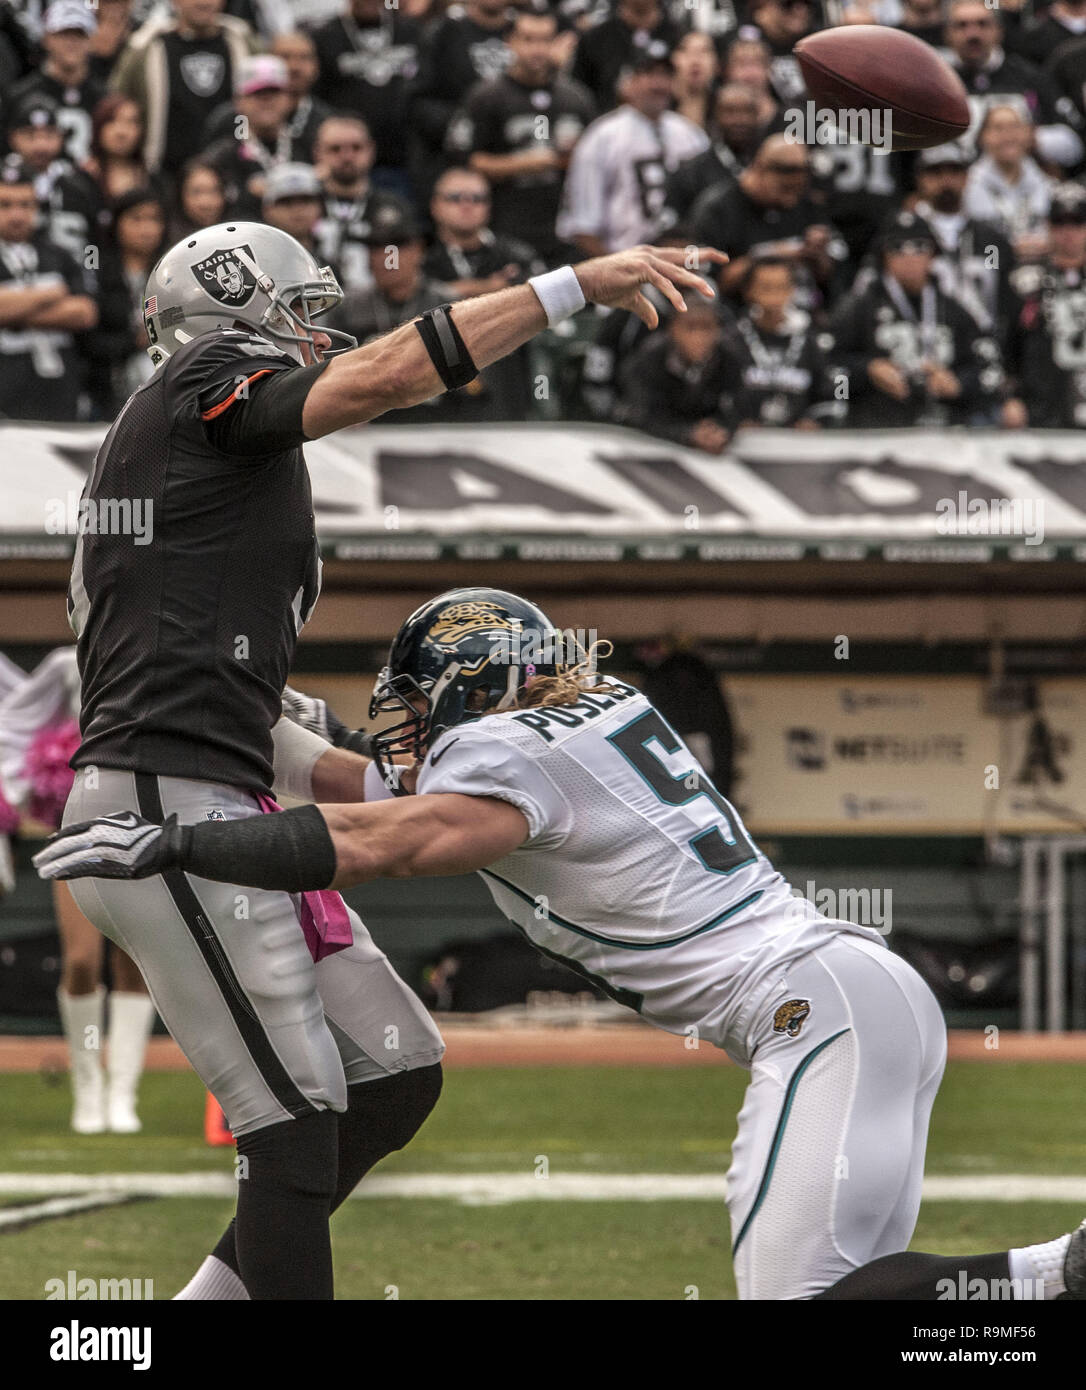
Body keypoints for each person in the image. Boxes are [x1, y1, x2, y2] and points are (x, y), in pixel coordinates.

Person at [28, 212, 721, 1300]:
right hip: (169, 790)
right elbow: (388, 377)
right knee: (291, 1120)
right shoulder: (207, 379)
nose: (320, 339)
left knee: (396, 1070)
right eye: (299, 315)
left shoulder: (195, 471)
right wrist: (573, 283)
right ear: (231, 309)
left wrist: (408, 773)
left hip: (221, 766)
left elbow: (242, 707)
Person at [39, 586, 1086, 1302]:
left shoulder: (503, 756)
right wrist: (243, 716)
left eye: (414, 704)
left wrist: (183, 837)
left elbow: (387, 837)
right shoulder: (586, 717)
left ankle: (1062, 1270)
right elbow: (369, 786)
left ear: (471, 687)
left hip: (813, 1009)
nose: (401, 728)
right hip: (855, 994)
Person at [0, 647, 154, 1134]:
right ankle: (87, 1090)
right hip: (76, 820)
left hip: (144, 818)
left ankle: (121, 1094)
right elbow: (18, 717)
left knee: (134, 961)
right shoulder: (69, 662)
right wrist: (17, 787)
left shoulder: (155, 654)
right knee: (82, 962)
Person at [446, 5, 595, 267]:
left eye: (545, 40)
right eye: (528, 39)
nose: (537, 49)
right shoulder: (485, 97)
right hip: (506, 229)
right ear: (510, 41)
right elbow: (465, 163)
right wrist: (532, 163)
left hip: (565, 232)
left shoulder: (577, 98)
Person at [828, 209, 1005, 429]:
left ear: (933, 254)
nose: (909, 257)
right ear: (883, 256)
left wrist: (958, 385)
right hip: (875, 434)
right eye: (897, 248)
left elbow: (989, 370)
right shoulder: (858, 308)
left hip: (946, 433)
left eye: (920, 247)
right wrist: (868, 370)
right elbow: (829, 374)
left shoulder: (954, 310)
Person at [558, 44, 708, 257]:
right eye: (648, 74)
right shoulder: (602, 137)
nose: (659, 84)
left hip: (686, 264)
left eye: (666, 75)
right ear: (627, 81)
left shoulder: (691, 135)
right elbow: (582, 227)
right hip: (623, 263)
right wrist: (615, 276)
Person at [691, 133, 847, 314]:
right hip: (738, 321)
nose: (791, 199)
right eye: (785, 188)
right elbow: (708, 283)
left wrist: (818, 256)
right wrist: (770, 255)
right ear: (759, 170)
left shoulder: (805, 204)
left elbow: (835, 274)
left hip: (804, 320)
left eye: (798, 189)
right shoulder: (718, 209)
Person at [109, 0, 258, 176]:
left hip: (233, 173)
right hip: (164, 174)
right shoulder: (145, 48)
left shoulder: (242, 42)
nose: (204, 3)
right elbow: (115, 106)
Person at [0, 156, 97, 422]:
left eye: (24, 205)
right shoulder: (56, 278)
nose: (16, 215)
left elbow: (85, 312)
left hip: (58, 389)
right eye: (5, 205)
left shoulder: (58, 254)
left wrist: (14, 311)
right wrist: (50, 294)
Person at [945, 0, 1084, 169]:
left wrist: (1031, 138)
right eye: (962, 25)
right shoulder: (940, 84)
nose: (973, 34)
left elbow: (1075, 143)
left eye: (982, 24)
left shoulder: (1030, 77)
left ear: (999, 30)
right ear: (947, 34)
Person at [310, 0, 423, 196]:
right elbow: (317, 97)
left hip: (403, 159)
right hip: (345, 158)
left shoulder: (411, 30)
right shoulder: (325, 36)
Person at [720, 256, 844, 428]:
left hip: (797, 447)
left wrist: (815, 421)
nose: (774, 296)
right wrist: (733, 423)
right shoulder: (730, 341)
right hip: (742, 443)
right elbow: (716, 396)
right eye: (766, 288)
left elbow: (835, 392)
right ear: (748, 291)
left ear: (792, 290)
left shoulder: (811, 340)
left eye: (781, 288)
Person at [1002, 181, 1086, 428]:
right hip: (1042, 411)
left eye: (1077, 222)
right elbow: (1007, 346)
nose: (1068, 231)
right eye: (1060, 222)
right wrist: (1010, 397)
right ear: (1048, 226)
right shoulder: (1024, 281)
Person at [311, 114, 410, 291]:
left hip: (376, 306)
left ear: (371, 150)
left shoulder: (392, 206)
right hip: (314, 300)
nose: (347, 156)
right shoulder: (304, 202)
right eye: (335, 149)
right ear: (318, 153)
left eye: (356, 148)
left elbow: (398, 266)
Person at [657, 83, 763, 241]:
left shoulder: (772, 168)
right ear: (715, 116)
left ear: (758, 116)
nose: (740, 120)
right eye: (730, 111)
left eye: (747, 111)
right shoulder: (688, 173)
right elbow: (672, 234)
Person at [424, 165, 544, 301]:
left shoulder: (516, 253)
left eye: (477, 198)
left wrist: (461, 289)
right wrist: (489, 287)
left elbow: (541, 294)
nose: (467, 205)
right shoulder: (420, 256)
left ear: (489, 207)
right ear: (435, 205)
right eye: (455, 198)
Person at [8, 1, 105, 166]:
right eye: (63, 34)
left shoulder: (104, 97)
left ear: (90, 40)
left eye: (79, 34)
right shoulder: (20, 96)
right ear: (46, 38)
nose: (71, 43)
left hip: (89, 188)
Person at [202, 55, 296, 219]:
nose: (267, 101)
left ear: (289, 98)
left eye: (274, 92)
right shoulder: (221, 156)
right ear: (238, 101)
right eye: (257, 94)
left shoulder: (310, 144)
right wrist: (246, 193)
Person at [963, 105, 1053, 259]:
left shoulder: (1047, 185)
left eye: (1015, 127)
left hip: (1040, 269)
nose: (1008, 136)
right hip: (991, 266)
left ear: (1027, 133)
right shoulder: (968, 186)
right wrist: (1011, 249)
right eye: (998, 128)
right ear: (983, 137)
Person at [570, 0, 683, 112]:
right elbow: (579, 96)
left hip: (668, 123)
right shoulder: (594, 39)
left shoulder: (680, 39)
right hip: (607, 122)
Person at [261, 162, 326, 256]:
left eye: (306, 200)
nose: (297, 209)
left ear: (320, 207)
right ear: (267, 210)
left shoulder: (332, 254)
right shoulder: (257, 260)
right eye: (286, 202)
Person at [168, 158, 226, 240]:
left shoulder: (238, 233)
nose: (206, 203)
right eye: (196, 192)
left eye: (214, 191)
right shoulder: (166, 241)